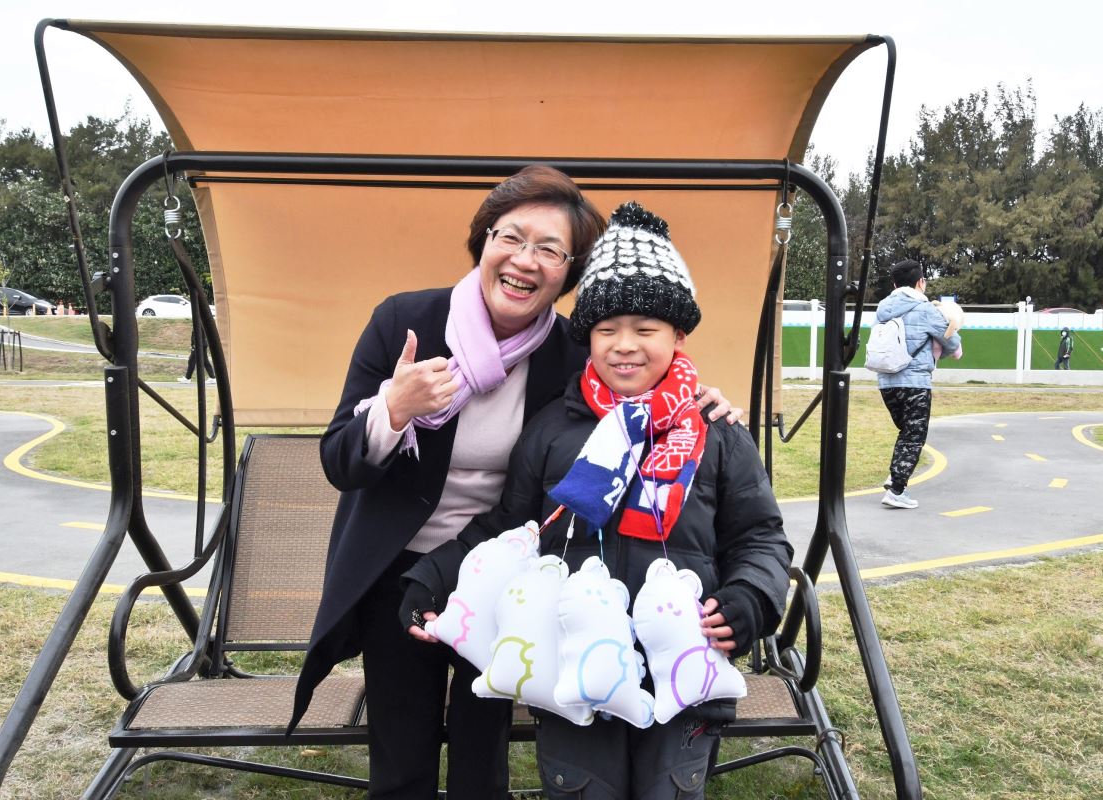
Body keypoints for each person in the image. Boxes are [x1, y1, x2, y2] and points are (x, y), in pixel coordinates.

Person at [287, 168, 739, 799]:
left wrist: (697, 400)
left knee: (482, 750)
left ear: (568, 273)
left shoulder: (568, 352)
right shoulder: (405, 322)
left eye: (550, 250)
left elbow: (635, 387)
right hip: (399, 570)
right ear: (484, 240)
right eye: (512, 237)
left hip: (504, 571)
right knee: (402, 751)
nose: (525, 261)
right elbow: (340, 461)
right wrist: (393, 408)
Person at [401, 202, 792, 800]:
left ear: (679, 335)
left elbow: (760, 537)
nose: (624, 346)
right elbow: (511, 528)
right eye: (607, 330)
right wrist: (432, 577)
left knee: (670, 789)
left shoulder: (716, 433)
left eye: (646, 329)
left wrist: (750, 599)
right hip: (573, 666)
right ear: (587, 338)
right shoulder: (552, 430)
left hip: (682, 661)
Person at [874, 260, 961, 509]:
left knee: (906, 432)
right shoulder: (925, 309)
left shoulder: (882, 309)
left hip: (886, 382)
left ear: (894, 284)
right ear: (920, 282)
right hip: (915, 382)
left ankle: (895, 476)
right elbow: (952, 342)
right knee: (914, 436)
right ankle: (897, 490)